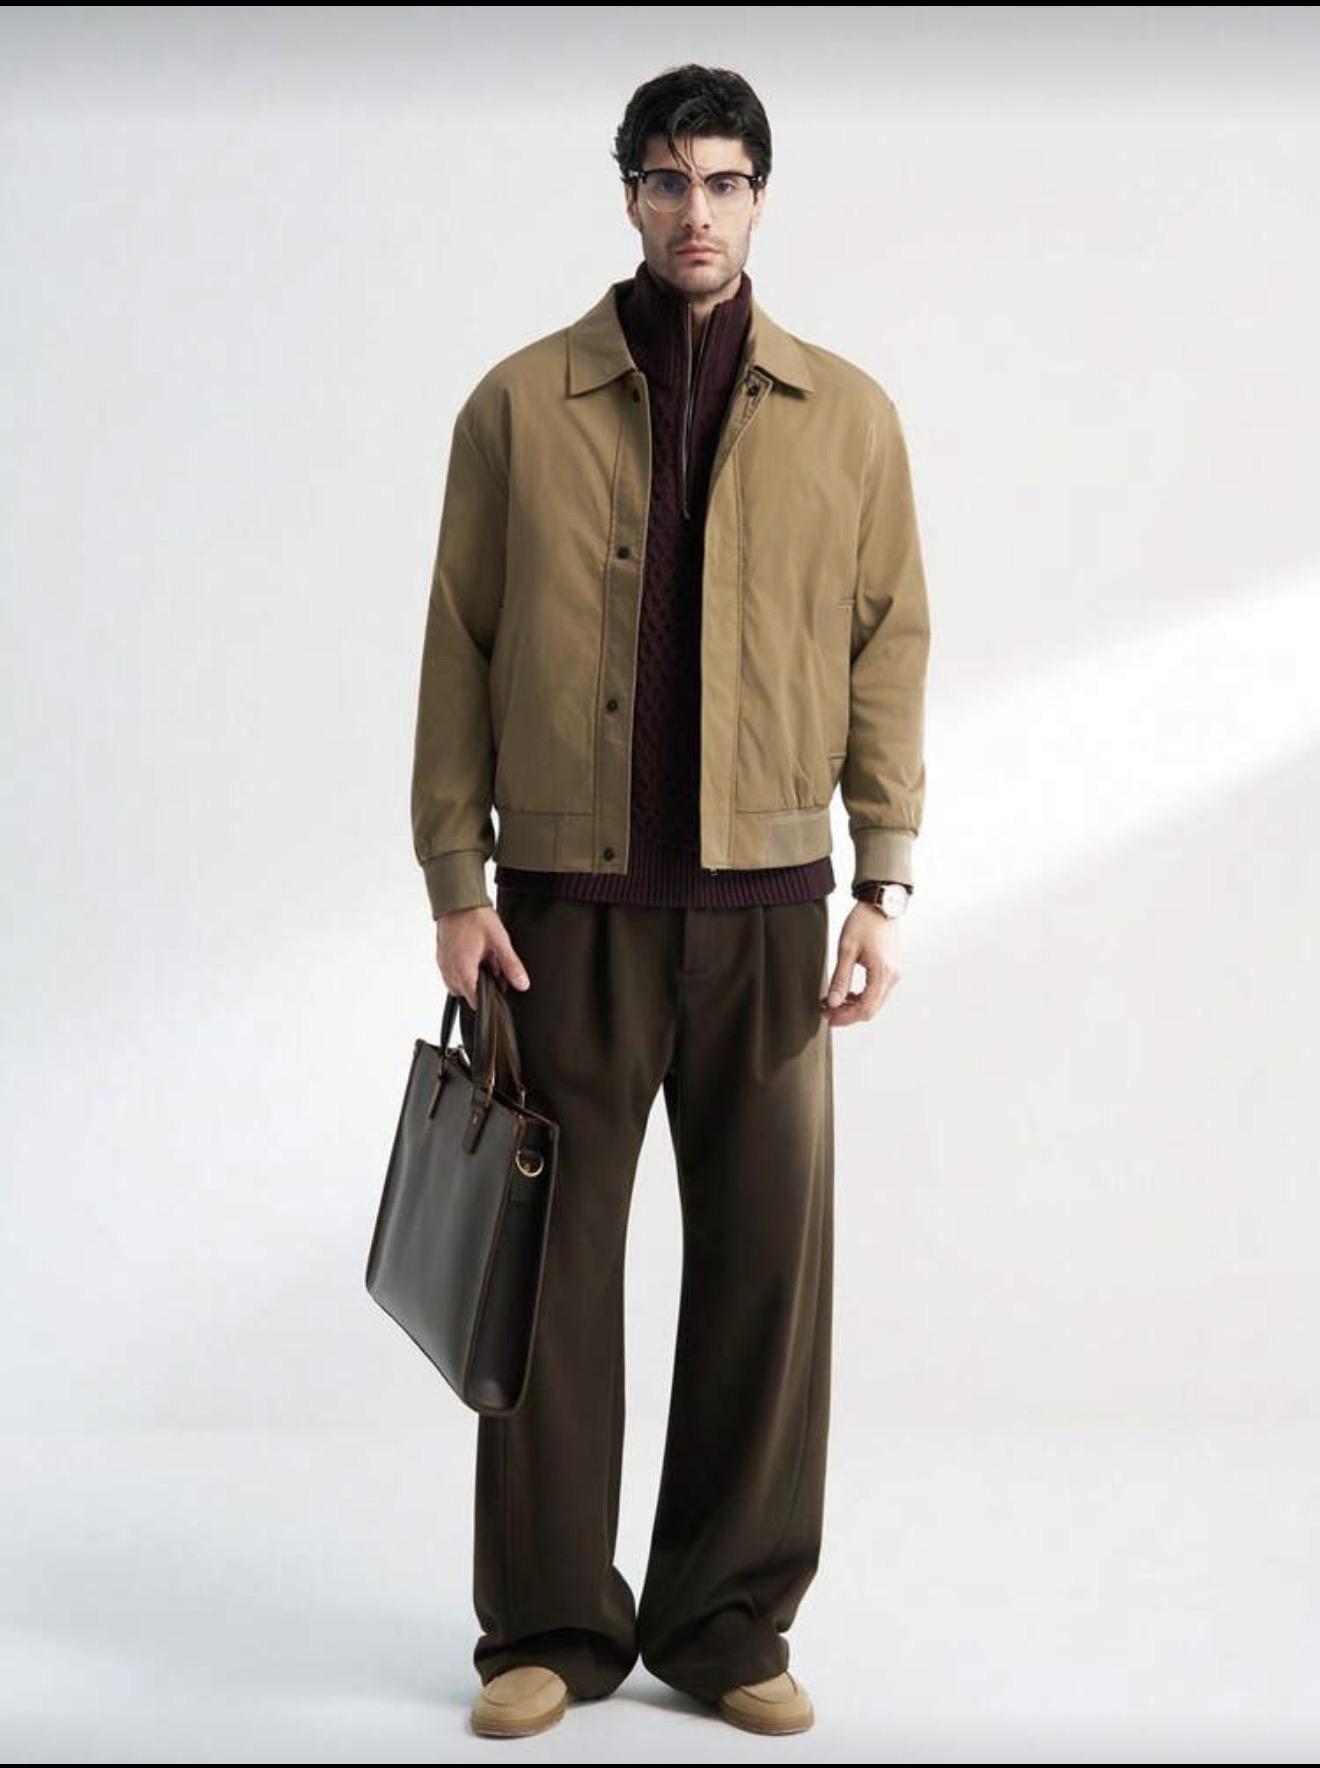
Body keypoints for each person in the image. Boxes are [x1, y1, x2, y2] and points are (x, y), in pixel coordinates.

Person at [409, 63, 931, 1739]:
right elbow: (459, 645)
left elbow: (888, 652)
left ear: (760, 196)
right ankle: (547, 1626)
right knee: (548, 1279)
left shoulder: (849, 416)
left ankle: (725, 1624)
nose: (693, 210)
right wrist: (454, 878)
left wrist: (883, 877)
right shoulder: (518, 405)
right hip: (563, 918)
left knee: (768, 1277)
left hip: (773, 916)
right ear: (627, 196)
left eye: (722, 180)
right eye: (664, 179)